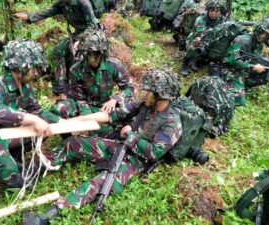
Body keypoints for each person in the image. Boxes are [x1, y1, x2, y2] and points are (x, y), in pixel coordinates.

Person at [23, 68, 182, 224]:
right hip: (120, 145)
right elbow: (114, 115)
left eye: (151, 92)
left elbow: (154, 152)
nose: (147, 94)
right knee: (72, 143)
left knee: (99, 184)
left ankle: (48, 216)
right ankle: (34, 171)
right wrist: (73, 122)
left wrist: (130, 135)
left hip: (136, 161)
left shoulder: (172, 122)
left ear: (161, 96)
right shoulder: (145, 104)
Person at [0, 39, 61, 200]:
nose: (35, 73)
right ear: (19, 67)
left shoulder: (25, 87)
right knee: (9, 174)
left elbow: (37, 110)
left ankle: (11, 156)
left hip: (7, 133)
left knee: (41, 131)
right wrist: (31, 119)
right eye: (32, 68)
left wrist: (60, 122)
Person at [50, 28, 133, 138]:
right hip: (84, 106)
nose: (94, 58)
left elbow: (129, 88)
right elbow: (79, 98)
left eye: (97, 54)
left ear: (103, 53)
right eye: (90, 54)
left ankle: (99, 132)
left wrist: (115, 99)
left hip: (105, 107)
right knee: (59, 108)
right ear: (84, 52)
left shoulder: (114, 65)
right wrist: (88, 116)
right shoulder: (76, 69)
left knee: (129, 113)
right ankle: (69, 137)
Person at [13, 0, 102, 99]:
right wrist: (28, 17)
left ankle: (80, 88)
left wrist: (82, 40)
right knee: (58, 51)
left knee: (79, 55)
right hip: (77, 35)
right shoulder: (62, 4)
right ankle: (61, 85)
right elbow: (47, 12)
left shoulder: (83, 3)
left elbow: (92, 26)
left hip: (92, 35)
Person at [222, 16, 269, 106]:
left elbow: (254, 60)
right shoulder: (243, 40)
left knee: (265, 75)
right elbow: (229, 60)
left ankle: (243, 86)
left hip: (242, 70)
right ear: (259, 29)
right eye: (263, 33)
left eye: (268, 35)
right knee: (238, 102)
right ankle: (233, 88)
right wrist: (252, 67)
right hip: (228, 69)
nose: (264, 37)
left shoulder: (259, 45)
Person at [180, 0, 225, 76]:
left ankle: (196, 61)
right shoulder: (201, 19)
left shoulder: (221, 20)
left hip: (210, 42)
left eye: (217, 11)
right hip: (195, 41)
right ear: (208, 10)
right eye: (212, 10)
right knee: (198, 41)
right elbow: (202, 34)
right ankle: (185, 63)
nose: (214, 13)